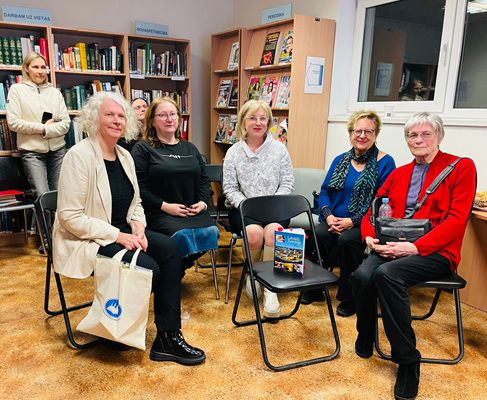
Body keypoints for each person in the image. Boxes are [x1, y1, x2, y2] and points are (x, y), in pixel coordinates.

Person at [52, 91, 205, 366]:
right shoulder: (79, 156)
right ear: (94, 119)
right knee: (150, 268)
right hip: (88, 238)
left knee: (171, 249)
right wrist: (118, 235)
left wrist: (138, 226)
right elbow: (70, 218)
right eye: (109, 114)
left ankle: (168, 337)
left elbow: (136, 202)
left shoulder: (124, 155)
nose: (116, 120)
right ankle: (115, 322)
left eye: (121, 116)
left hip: (123, 230)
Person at [350, 112, 476, 400]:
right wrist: (369, 236)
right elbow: (373, 210)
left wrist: (415, 247)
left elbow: (457, 222)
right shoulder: (400, 173)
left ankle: (408, 361)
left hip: (436, 251)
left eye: (425, 134)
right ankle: (366, 333)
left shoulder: (461, 167)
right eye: (412, 135)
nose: (418, 140)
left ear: (439, 136)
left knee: (386, 275)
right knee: (361, 276)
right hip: (393, 245)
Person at [301, 110, 396, 317]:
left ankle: (349, 296)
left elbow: (380, 200)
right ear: (351, 133)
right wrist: (328, 216)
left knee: (347, 241)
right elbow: (325, 192)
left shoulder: (386, 162)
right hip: (333, 219)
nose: (362, 135)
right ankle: (314, 287)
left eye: (368, 131)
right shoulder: (340, 160)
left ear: (376, 134)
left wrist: (352, 221)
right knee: (318, 234)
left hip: (364, 223)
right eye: (357, 131)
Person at [222, 99, 294, 318]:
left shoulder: (280, 149)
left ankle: (270, 286)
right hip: (243, 208)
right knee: (253, 234)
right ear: (243, 121)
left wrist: (272, 206)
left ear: (269, 122)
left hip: (275, 208)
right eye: (252, 118)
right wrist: (248, 206)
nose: (258, 122)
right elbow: (229, 187)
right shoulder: (233, 152)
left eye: (263, 118)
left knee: (272, 232)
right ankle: (253, 274)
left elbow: (287, 182)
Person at [131, 97, 218, 268]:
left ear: (179, 118)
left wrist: (202, 203)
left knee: (211, 232)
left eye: (173, 114)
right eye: (162, 115)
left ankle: (176, 269)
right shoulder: (142, 149)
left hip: (192, 212)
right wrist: (165, 206)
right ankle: (173, 271)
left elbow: (203, 179)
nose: (169, 119)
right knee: (181, 236)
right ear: (152, 121)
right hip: (160, 212)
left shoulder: (190, 148)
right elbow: (138, 187)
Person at [6, 52, 70, 200]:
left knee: (60, 196)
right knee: (42, 196)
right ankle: (44, 217)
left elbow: (66, 124)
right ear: (26, 69)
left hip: (57, 151)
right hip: (32, 152)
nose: (40, 71)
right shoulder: (17, 90)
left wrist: (47, 129)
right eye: (35, 67)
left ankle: (56, 218)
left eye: (43, 67)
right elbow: (14, 123)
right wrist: (43, 128)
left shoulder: (55, 92)